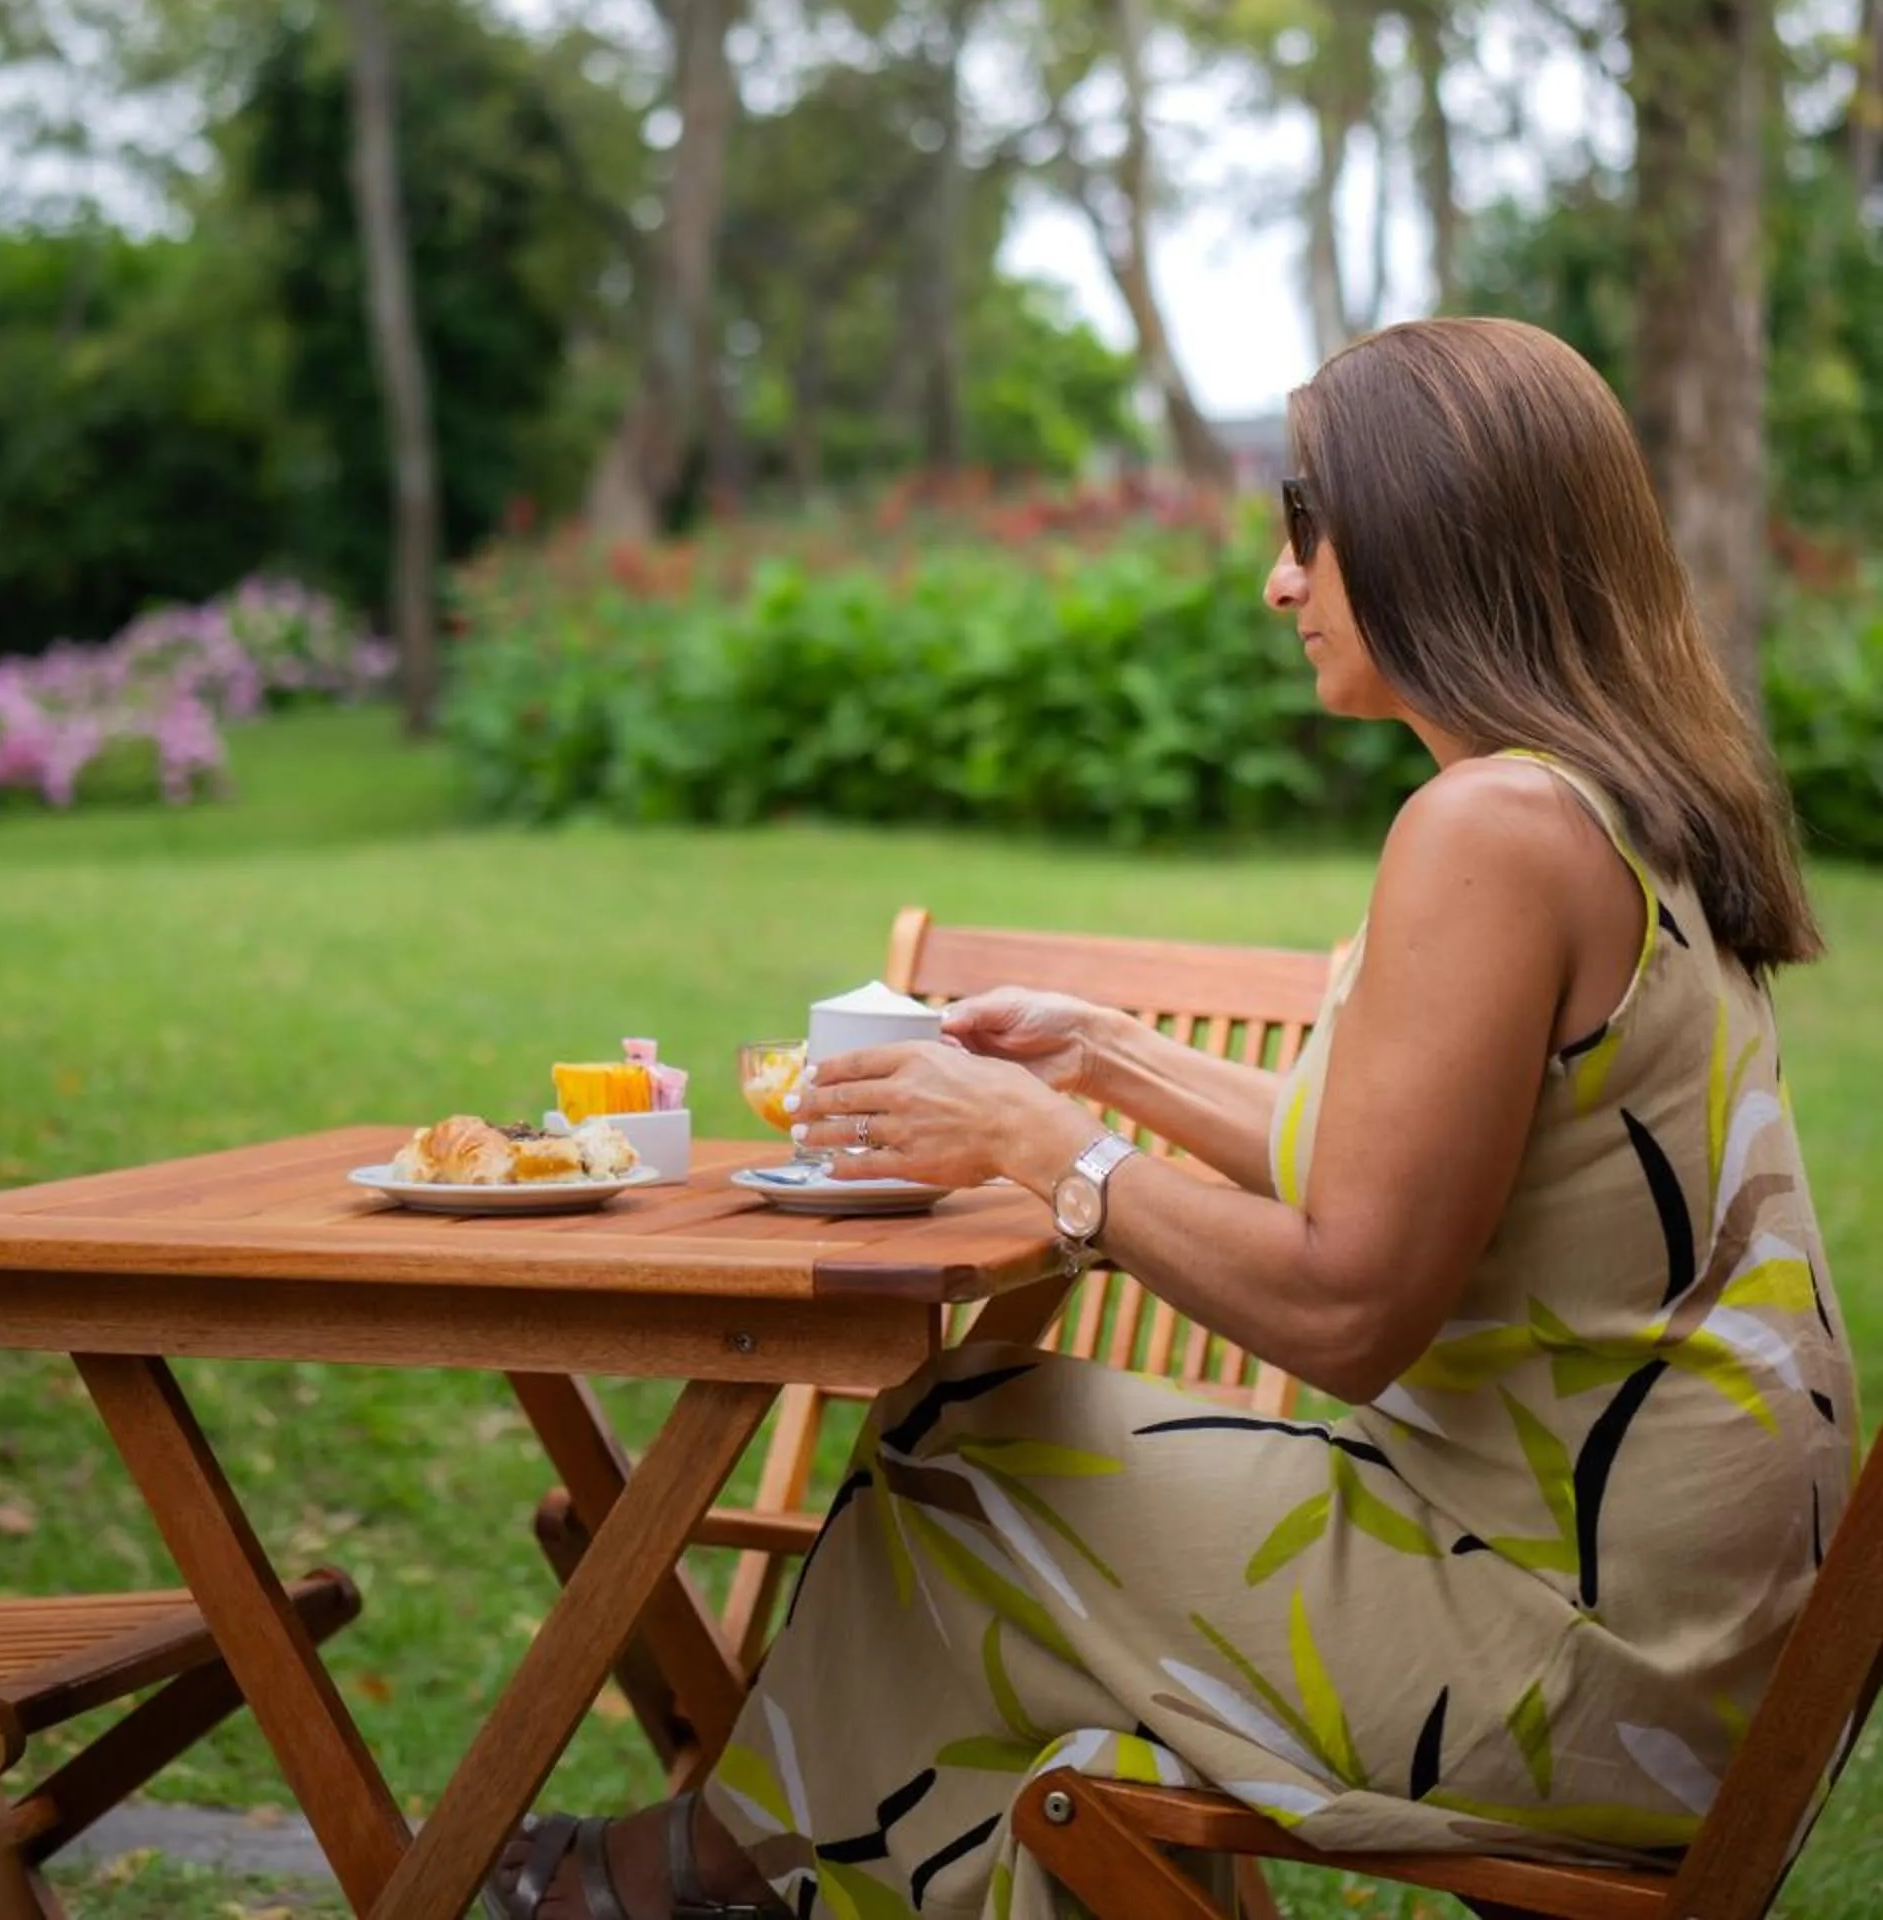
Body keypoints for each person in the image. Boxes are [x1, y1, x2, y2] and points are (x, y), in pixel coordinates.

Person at [495, 318, 1854, 1920]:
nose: (1282, 582)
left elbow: (1345, 1306)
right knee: (1009, 1500)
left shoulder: (1487, 826)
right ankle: (759, 1880)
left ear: (1430, 534)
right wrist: (1109, 1054)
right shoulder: (1606, 802)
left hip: (1600, 1666)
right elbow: (1408, 1169)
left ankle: (695, 1878)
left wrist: (1037, 1147)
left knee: (963, 1445)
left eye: (1306, 526)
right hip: (1699, 1641)